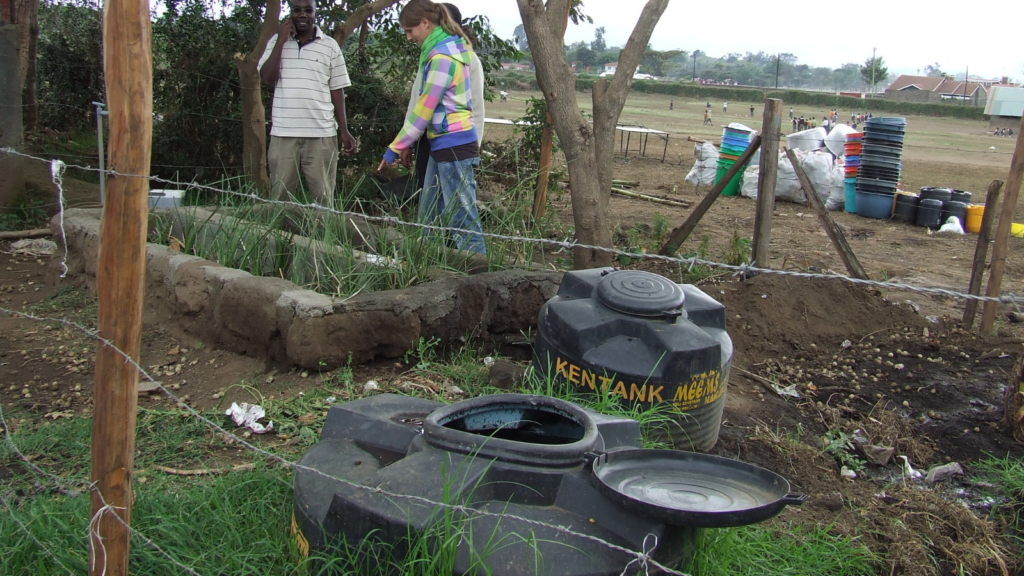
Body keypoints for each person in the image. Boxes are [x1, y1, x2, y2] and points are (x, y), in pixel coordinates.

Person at [379, 0, 485, 254]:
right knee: (430, 210)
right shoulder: (440, 52)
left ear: (425, 23)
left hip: (454, 143)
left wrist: (394, 148)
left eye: (409, 30)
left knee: (462, 215)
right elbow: (421, 106)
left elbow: (423, 110)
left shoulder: (444, 58)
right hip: (440, 140)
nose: (408, 37)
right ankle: (427, 261)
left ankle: (481, 272)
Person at [259, 0, 357, 204]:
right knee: (280, 199)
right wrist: (281, 40)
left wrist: (344, 130)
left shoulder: (329, 45)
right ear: (290, 13)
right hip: (284, 134)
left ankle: (321, 237)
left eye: (308, 10)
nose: (302, 14)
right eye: (297, 10)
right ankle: (280, 236)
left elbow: (336, 89)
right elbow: (267, 79)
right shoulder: (276, 42)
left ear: (315, 13)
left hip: (321, 135)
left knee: (324, 200)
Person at [403, 2, 485, 196]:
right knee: (427, 195)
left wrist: (472, 151)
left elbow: (477, 108)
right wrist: (407, 141)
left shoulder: (468, 59)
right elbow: (417, 101)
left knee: (456, 203)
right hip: (427, 139)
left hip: (455, 142)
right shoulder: (430, 56)